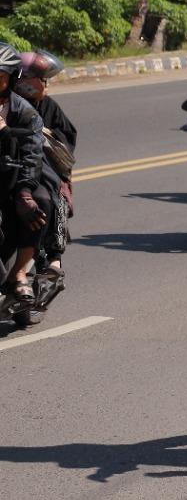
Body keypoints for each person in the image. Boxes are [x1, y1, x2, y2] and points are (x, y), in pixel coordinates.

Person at [14, 51, 75, 311]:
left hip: (42, 170)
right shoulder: (10, 103)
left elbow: (67, 138)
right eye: (42, 79)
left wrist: (47, 136)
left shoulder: (48, 107)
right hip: (10, 168)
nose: (46, 85)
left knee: (51, 197)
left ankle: (54, 260)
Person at [0, 44, 49, 311]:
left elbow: (32, 153)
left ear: (11, 78)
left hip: (13, 178)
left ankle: (19, 272)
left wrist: (24, 193)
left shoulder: (25, 112)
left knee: (41, 201)